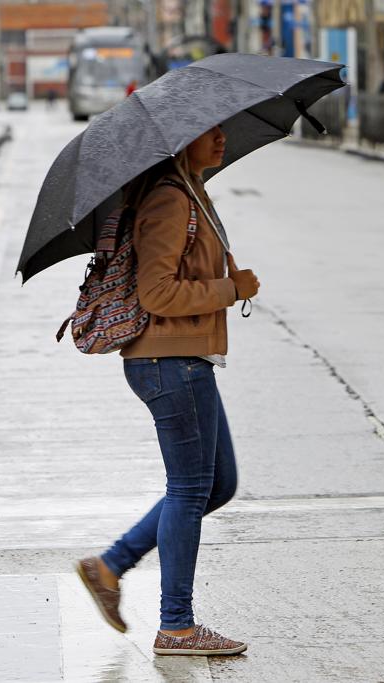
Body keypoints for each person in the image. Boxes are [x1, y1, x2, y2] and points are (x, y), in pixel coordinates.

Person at [76, 125, 259, 656]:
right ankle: (176, 624)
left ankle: (109, 567)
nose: (222, 138)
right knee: (189, 489)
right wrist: (231, 289)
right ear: (179, 143)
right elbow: (155, 293)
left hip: (183, 358)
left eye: (226, 128)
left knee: (217, 483)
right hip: (167, 360)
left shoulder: (191, 193)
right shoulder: (169, 199)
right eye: (210, 132)